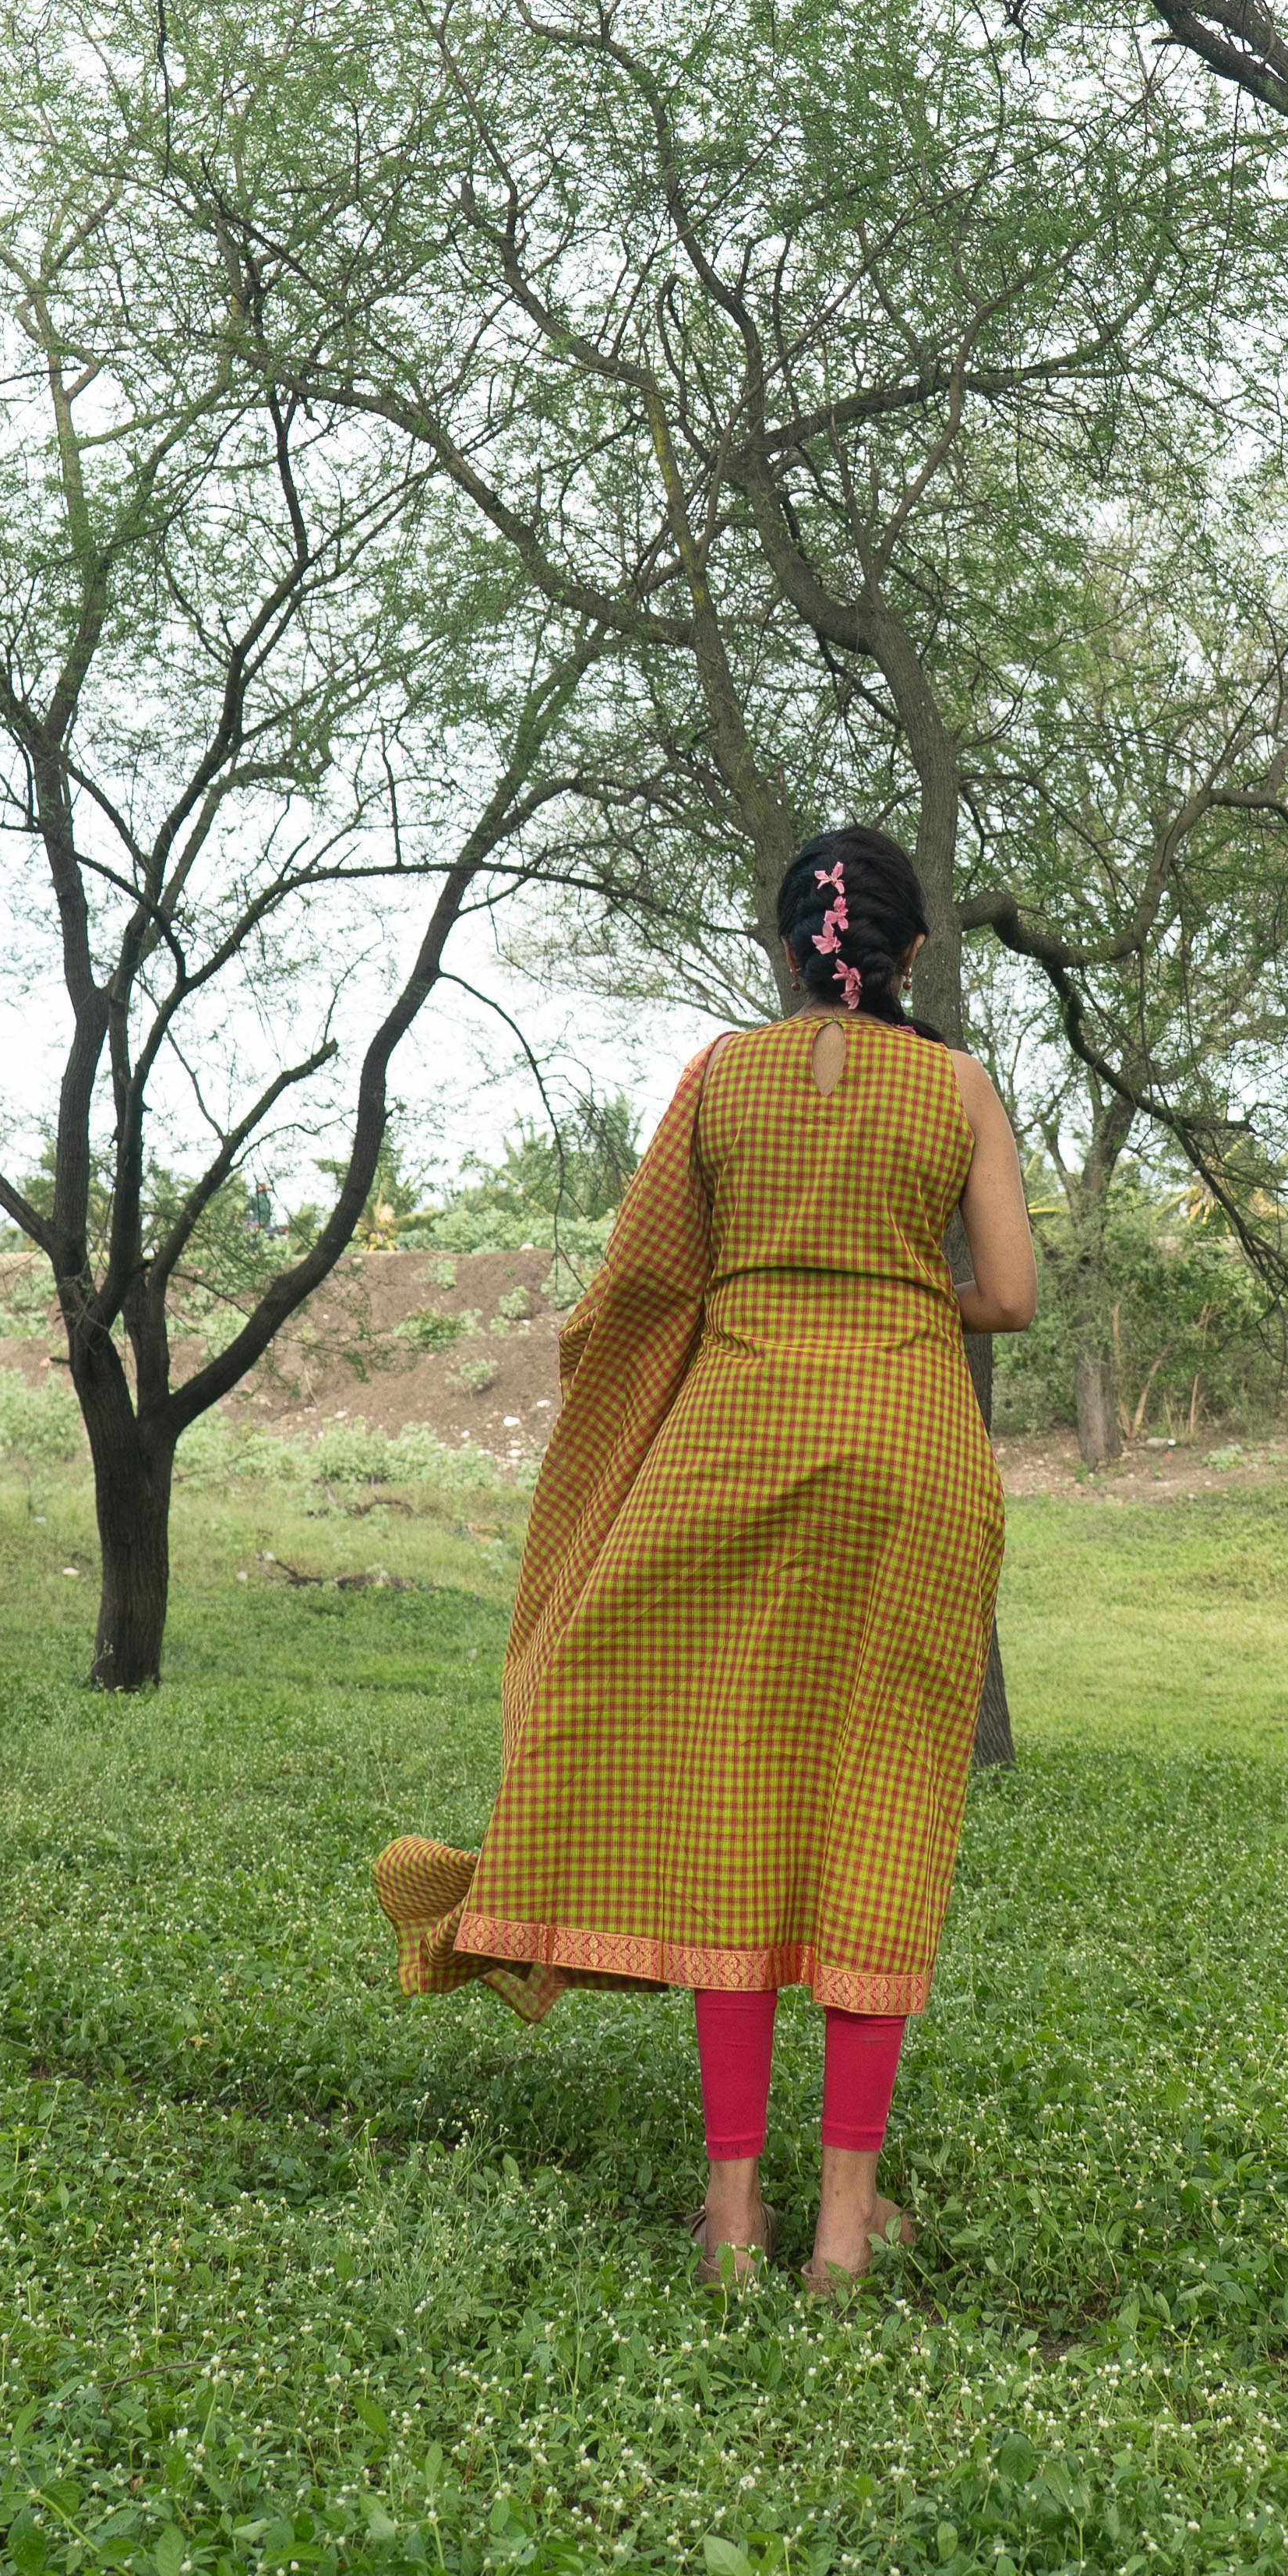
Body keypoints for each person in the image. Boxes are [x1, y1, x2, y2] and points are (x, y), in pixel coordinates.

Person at [372, 821, 1039, 2293]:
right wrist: (889, 1272)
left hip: (729, 1460)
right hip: (911, 1474)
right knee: (880, 1816)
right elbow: (1015, 1293)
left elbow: (639, 1289)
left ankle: (734, 2227)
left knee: (728, 1824)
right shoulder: (961, 1087)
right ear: (909, 949)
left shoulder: (718, 1079)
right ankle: (845, 2240)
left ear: (788, 949)